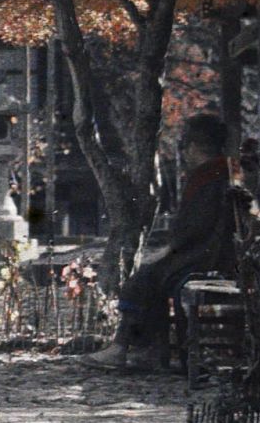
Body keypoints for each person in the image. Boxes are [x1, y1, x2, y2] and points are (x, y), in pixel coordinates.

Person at [88, 112, 235, 372]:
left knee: (144, 278)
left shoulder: (208, 178)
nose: (184, 154)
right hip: (204, 251)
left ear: (195, 146)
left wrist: (169, 249)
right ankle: (145, 349)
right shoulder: (220, 173)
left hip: (202, 255)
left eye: (185, 146)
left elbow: (196, 226)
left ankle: (125, 347)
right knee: (150, 276)